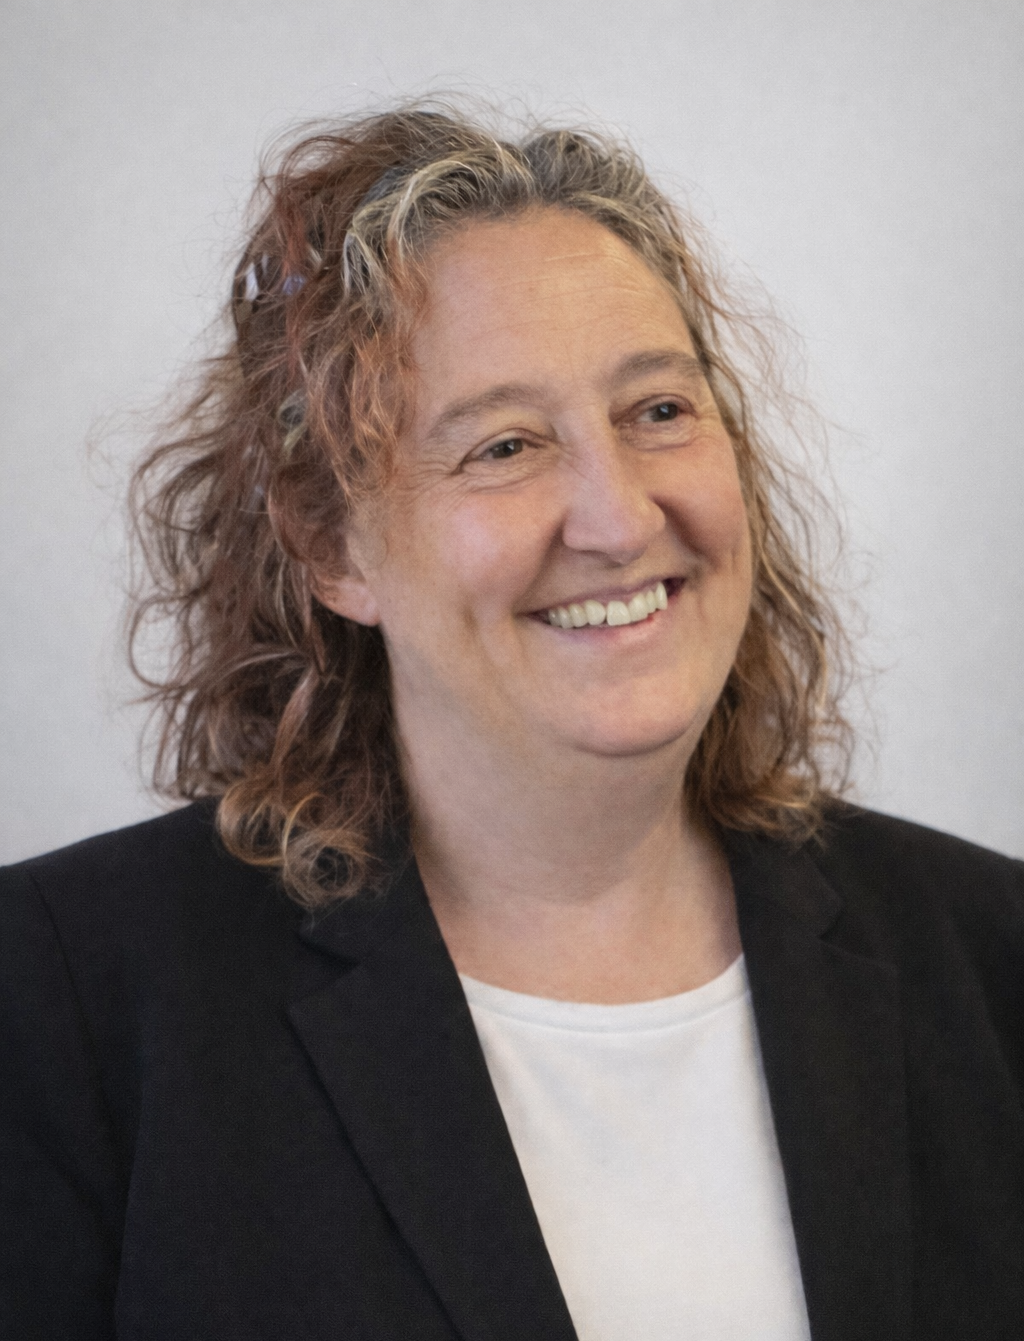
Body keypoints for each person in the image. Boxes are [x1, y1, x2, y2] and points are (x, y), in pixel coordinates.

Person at [1, 103, 1021, 1341]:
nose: (617, 515)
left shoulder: (991, 956)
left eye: (657, 410)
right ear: (331, 545)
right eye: (504, 445)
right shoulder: (58, 999)